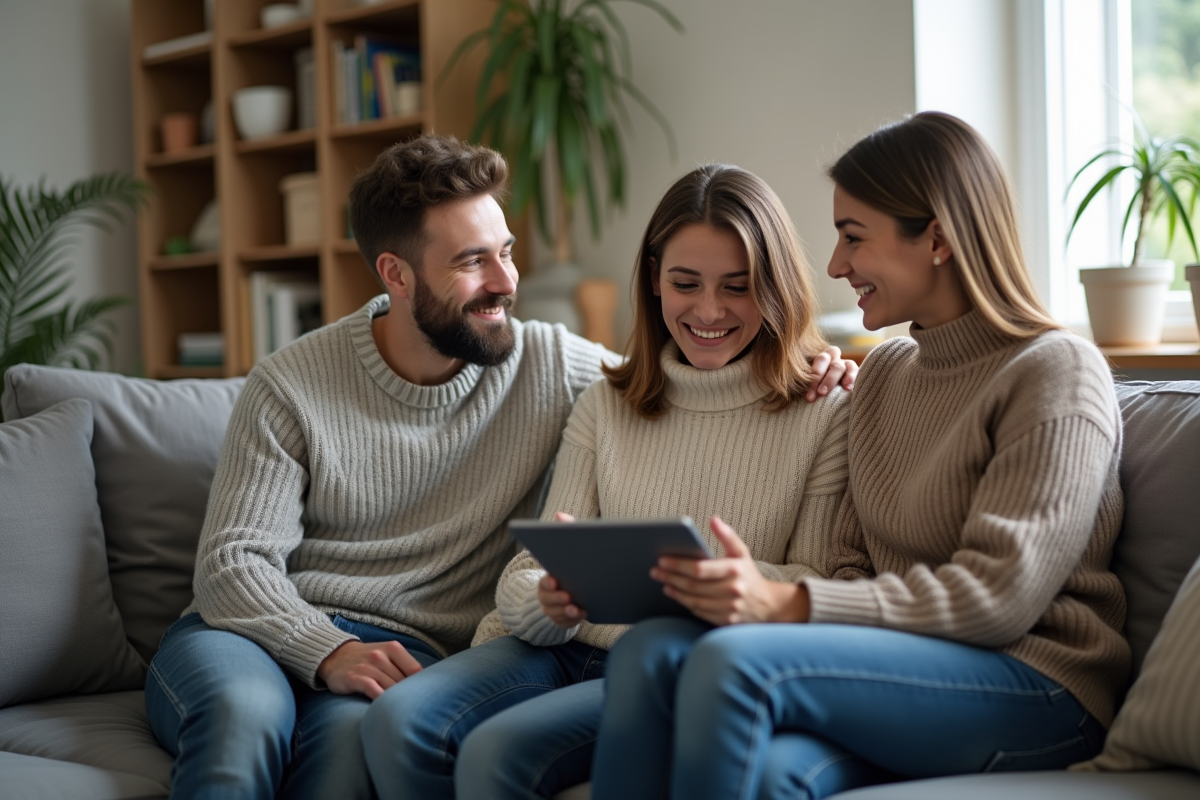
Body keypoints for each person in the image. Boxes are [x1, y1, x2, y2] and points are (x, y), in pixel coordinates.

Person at [143, 136, 856, 800]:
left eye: (506, 251)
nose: (506, 281)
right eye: (471, 262)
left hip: (399, 652)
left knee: (342, 764)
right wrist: (324, 649)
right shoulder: (289, 384)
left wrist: (819, 359)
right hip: (248, 632)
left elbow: (676, 378)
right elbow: (232, 563)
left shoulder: (551, 364)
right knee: (244, 717)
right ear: (395, 273)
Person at [589, 111, 1131, 800]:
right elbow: (851, 561)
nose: (836, 265)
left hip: (1038, 685)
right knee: (651, 652)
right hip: (898, 673)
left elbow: (999, 599)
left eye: (853, 237)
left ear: (936, 237)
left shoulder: (1054, 370)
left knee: (734, 665)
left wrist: (783, 603)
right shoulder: (882, 375)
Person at [360, 164, 853, 800]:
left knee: (495, 756)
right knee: (397, 721)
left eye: (738, 286)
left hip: (677, 663)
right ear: (653, 280)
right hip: (556, 648)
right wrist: (547, 599)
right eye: (685, 283)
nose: (708, 310)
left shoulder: (824, 408)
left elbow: (821, 585)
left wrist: (720, 582)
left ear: (776, 285)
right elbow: (527, 571)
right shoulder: (607, 400)